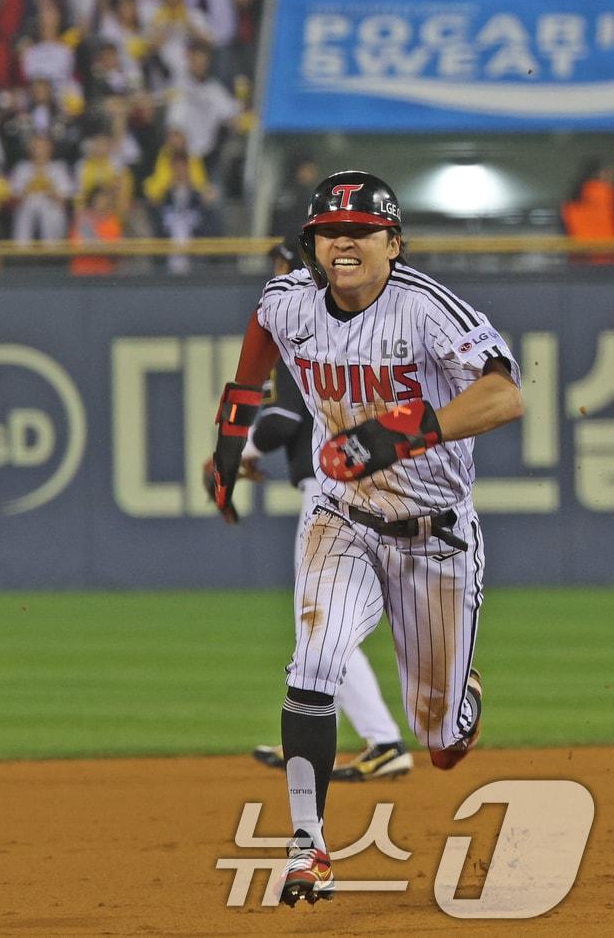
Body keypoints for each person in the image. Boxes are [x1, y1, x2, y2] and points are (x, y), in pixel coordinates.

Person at [207, 172, 523, 907]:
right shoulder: (289, 302)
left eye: (359, 229)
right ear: (311, 245)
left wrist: (400, 431)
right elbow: (257, 350)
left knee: (438, 736)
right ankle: (308, 847)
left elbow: (505, 392)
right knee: (314, 662)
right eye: (326, 231)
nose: (341, 240)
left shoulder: (425, 308)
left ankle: (458, 703)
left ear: (393, 242)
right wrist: (229, 447)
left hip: (434, 535)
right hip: (342, 516)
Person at [228, 241, 413, 784]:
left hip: (335, 494)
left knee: (321, 630)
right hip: (383, 486)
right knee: (325, 630)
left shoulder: (303, 320)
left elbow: (283, 417)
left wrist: (238, 454)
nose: (276, 274)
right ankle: (322, 735)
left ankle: (373, 739)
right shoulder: (357, 317)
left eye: (282, 263)